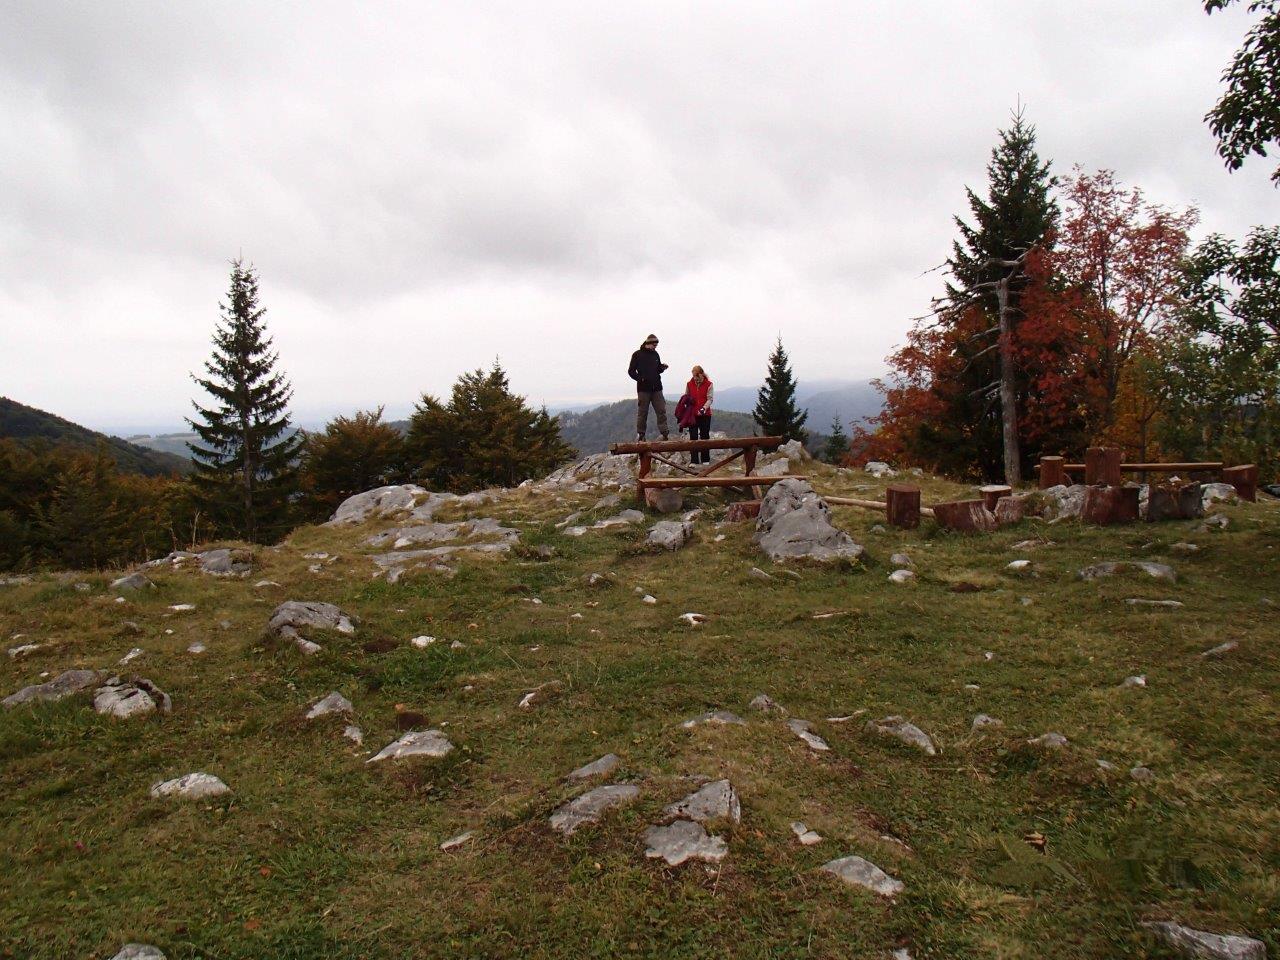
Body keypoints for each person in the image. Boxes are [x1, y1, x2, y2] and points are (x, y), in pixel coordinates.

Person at [628, 333, 669, 441]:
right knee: (643, 413)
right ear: (648, 343)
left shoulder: (655, 354)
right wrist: (640, 379)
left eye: (656, 345)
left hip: (657, 388)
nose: (655, 347)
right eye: (654, 345)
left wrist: (662, 368)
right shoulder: (637, 354)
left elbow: (657, 369)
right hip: (643, 389)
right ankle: (641, 435)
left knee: (661, 411)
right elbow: (631, 371)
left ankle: (665, 433)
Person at [684, 365, 714, 463]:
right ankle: (694, 461)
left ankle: (705, 460)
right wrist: (686, 405)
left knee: (705, 436)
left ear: (701, 374)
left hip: (705, 415)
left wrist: (704, 408)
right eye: (693, 376)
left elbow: (710, 399)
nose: (695, 378)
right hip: (692, 415)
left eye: (697, 376)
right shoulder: (689, 384)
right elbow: (686, 397)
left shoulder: (709, 384)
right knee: (693, 437)